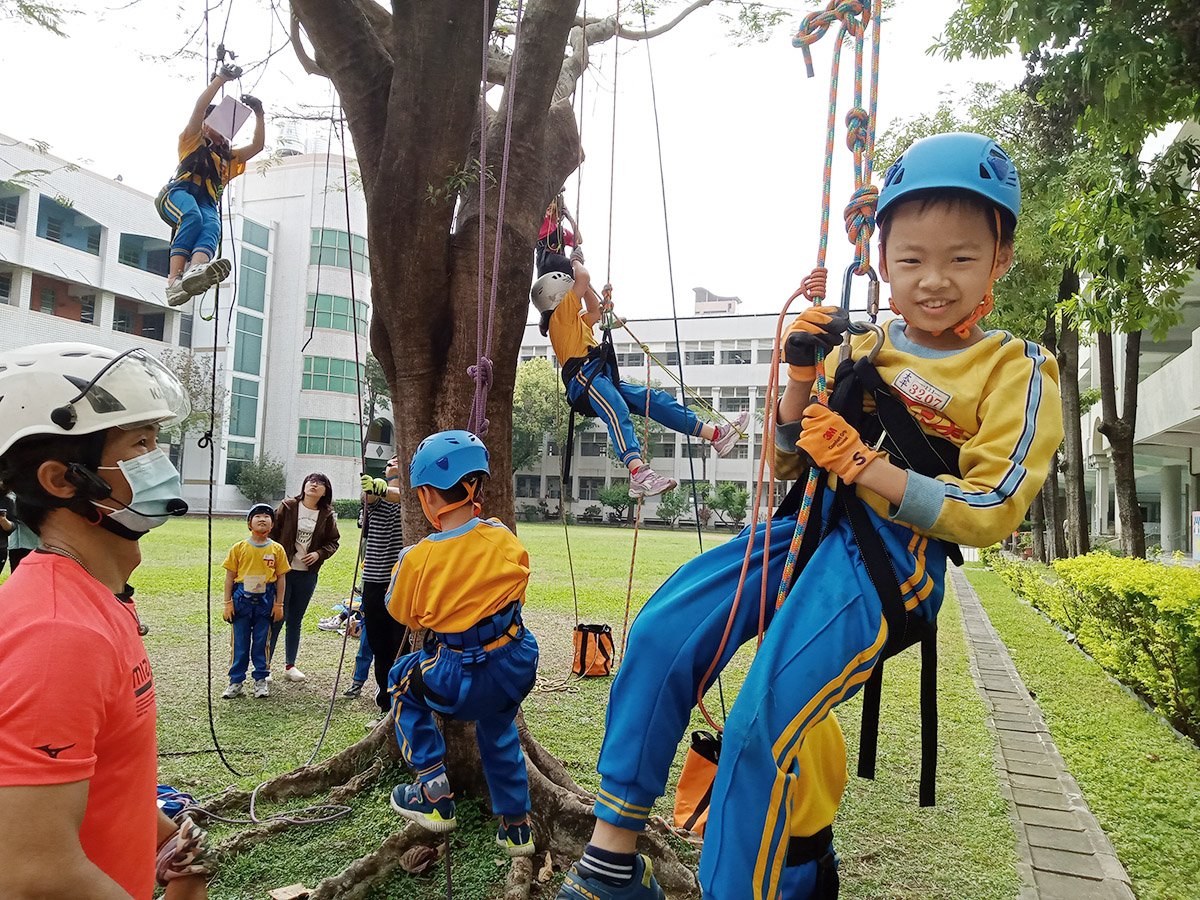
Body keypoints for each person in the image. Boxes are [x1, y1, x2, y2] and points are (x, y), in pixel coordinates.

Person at [555, 132, 1064, 900]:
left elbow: (993, 507)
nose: (933, 280)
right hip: (809, 527)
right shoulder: (858, 341)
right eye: (912, 259)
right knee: (662, 631)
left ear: (1000, 259)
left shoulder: (1014, 367)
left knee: (765, 726)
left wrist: (868, 465)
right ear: (881, 258)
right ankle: (611, 861)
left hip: (894, 562)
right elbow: (791, 459)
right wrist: (799, 374)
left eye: (961, 259)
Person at [0, 342, 213, 898]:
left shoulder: (100, 596)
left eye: (157, 441)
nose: (160, 461)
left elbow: (99, 771)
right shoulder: (58, 634)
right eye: (139, 444)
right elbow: (34, 872)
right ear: (62, 480)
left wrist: (170, 846)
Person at [385, 430, 539, 858]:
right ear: (476, 488)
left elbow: (404, 614)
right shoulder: (502, 537)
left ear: (428, 496)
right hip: (514, 664)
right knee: (499, 727)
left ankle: (433, 794)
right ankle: (517, 827)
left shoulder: (417, 559)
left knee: (400, 682)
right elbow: (517, 591)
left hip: (455, 676)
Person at [532, 258, 749, 498]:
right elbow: (582, 277)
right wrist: (576, 260)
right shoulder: (559, 317)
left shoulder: (575, 320)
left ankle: (715, 435)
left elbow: (595, 310)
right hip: (584, 380)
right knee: (617, 410)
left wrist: (593, 292)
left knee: (653, 399)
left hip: (599, 376)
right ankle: (638, 474)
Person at [156, 63, 265, 307]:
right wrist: (220, 80)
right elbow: (199, 108)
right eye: (218, 123)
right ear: (206, 124)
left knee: (212, 226)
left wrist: (259, 113)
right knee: (192, 216)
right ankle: (173, 280)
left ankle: (195, 270)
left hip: (206, 200)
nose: (223, 132)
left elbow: (257, 146)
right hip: (179, 194)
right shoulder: (192, 141)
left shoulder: (227, 159)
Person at [269, 473, 340, 682]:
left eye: (320, 483)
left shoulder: (326, 514)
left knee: (295, 620)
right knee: (276, 619)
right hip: (284, 573)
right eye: (311, 481)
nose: (314, 484)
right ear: (304, 485)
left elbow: (333, 542)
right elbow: (273, 534)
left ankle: (290, 665)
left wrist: (319, 554)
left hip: (307, 575)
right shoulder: (289, 506)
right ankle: (265, 666)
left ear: (325, 491)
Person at [353, 455, 409, 715]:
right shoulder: (374, 498)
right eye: (389, 462)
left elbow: (404, 496)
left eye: (399, 459)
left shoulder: (413, 495)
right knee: (378, 642)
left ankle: (405, 698)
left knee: (402, 642)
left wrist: (383, 488)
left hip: (403, 580)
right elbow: (373, 499)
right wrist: (375, 489)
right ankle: (386, 701)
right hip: (375, 579)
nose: (393, 463)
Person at [221, 504, 290, 700]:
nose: (262, 519)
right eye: (257, 516)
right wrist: (228, 603)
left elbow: (281, 579)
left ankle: (261, 680)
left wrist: (279, 604)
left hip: (265, 601)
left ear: (273, 523)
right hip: (242, 599)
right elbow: (229, 577)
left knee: (262, 643)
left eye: (267, 516)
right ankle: (235, 681)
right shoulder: (239, 548)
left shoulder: (277, 549)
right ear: (249, 523)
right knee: (240, 644)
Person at [2, 490, 39, 571]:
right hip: (15, 544)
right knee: (16, 574)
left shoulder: (36, 490)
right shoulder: (10, 492)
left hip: (33, 543)